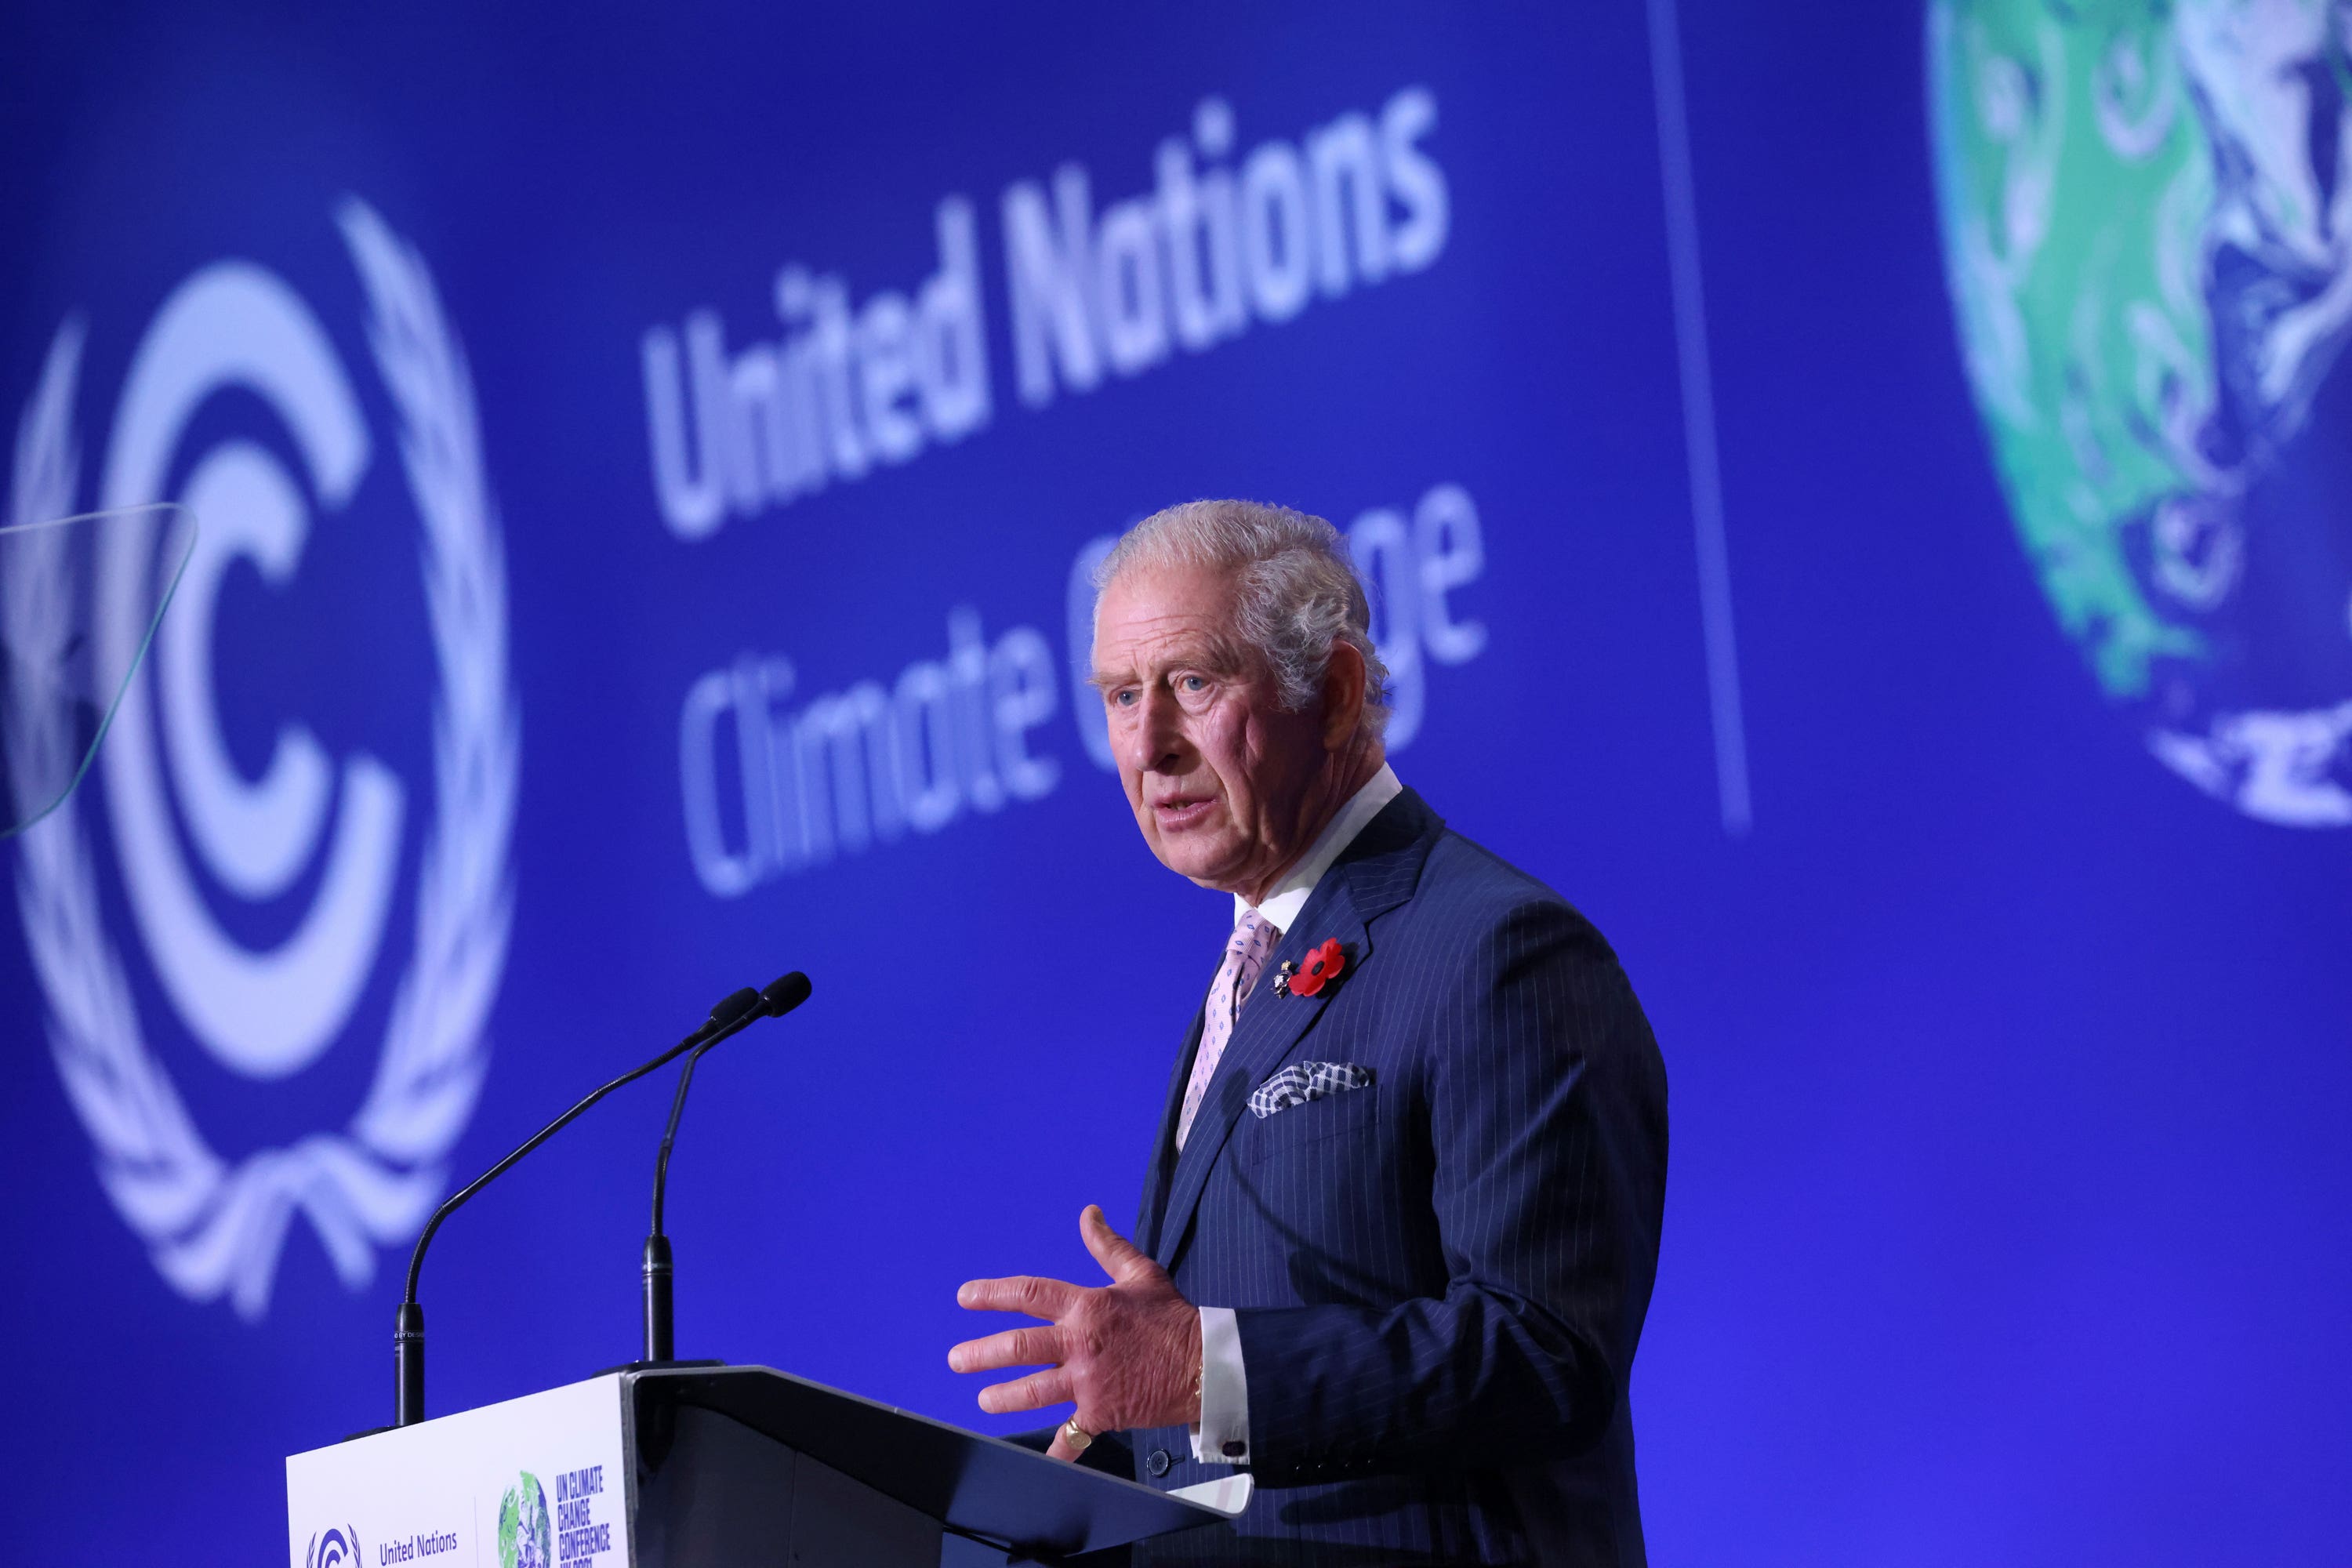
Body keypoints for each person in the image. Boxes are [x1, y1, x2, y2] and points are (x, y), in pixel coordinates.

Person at [949, 499, 1668, 1565]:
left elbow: (1545, 1354)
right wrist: (979, 1504)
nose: (1149, 745)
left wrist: (1205, 1373)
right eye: (1118, 696)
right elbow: (1246, 1426)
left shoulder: (1498, 950)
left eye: (1193, 683)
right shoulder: (1249, 975)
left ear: (1332, 694)